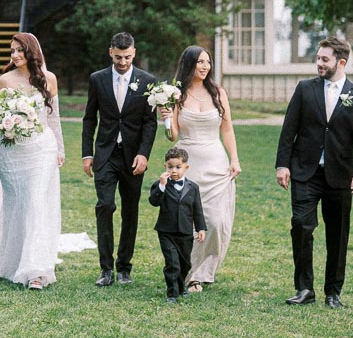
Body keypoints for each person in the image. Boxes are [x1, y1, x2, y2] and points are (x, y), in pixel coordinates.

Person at [275, 35, 353, 308]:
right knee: (301, 227)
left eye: (324, 59)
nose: (319, 63)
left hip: (340, 176)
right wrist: (282, 164)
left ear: (340, 62)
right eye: (318, 58)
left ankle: (333, 292)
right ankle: (305, 288)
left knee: (338, 233)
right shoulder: (304, 89)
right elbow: (288, 129)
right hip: (305, 172)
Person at [0, 33, 65, 289]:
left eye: (20, 50)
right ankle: (13, 260)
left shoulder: (48, 79)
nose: (15, 55)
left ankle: (35, 270)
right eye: (12, 51)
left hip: (41, 149)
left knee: (36, 204)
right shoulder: (5, 81)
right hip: (13, 153)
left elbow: (54, 118)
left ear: (32, 52)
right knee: (17, 204)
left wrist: (60, 149)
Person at [162, 45, 240, 291]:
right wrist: (165, 116)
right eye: (200, 62)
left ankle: (203, 271)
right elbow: (172, 135)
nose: (205, 66)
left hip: (216, 163)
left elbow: (226, 128)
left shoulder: (218, 93)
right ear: (189, 65)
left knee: (215, 222)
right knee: (187, 222)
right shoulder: (177, 94)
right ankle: (188, 272)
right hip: (188, 163)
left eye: (208, 62)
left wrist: (234, 159)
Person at [82, 31, 157, 286]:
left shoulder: (148, 81)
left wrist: (144, 154)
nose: (122, 62)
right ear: (110, 53)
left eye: (126, 57)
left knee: (130, 212)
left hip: (133, 156)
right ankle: (106, 269)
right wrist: (87, 154)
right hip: (105, 154)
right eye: (117, 57)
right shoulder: (97, 79)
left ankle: (124, 267)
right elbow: (89, 118)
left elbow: (150, 123)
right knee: (105, 205)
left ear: (134, 53)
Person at [149, 146, 206, 302]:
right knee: (172, 263)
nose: (174, 170)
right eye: (170, 167)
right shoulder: (161, 185)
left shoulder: (193, 187)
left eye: (178, 167)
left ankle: (181, 288)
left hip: (186, 232)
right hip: (166, 232)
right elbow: (154, 202)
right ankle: (172, 294)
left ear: (186, 167)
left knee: (184, 263)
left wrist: (201, 227)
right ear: (165, 166)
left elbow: (197, 209)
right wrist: (161, 185)